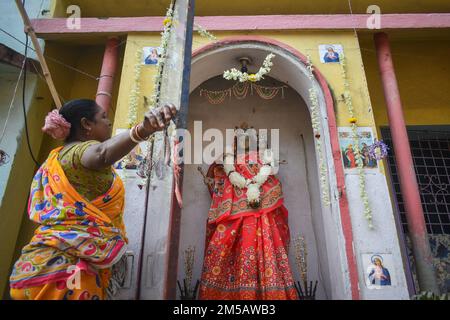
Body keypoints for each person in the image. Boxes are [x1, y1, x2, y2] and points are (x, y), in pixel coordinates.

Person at [9, 99, 177, 300]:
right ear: (86, 124)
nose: (108, 122)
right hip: (64, 272)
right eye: (103, 117)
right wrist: (141, 130)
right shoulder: (77, 152)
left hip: (37, 266)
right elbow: (101, 154)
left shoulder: (56, 158)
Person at [199, 127, 298, 300]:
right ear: (236, 143)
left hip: (262, 211)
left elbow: (271, 178)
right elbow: (220, 175)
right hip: (234, 213)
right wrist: (221, 174)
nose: (245, 142)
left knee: (267, 243)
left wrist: (257, 182)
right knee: (222, 247)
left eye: (248, 138)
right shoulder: (230, 160)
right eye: (241, 139)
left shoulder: (262, 159)